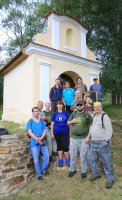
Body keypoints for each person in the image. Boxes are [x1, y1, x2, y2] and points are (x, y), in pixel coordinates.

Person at [86, 102, 115, 189]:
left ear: (101, 108)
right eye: (95, 107)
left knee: (106, 161)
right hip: (94, 142)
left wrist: (106, 141)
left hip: (103, 142)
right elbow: (91, 127)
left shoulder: (104, 117)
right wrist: (89, 137)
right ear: (93, 108)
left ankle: (110, 179)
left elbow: (109, 129)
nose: (97, 109)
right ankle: (96, 174)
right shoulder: (94, 116)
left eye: (98, 107)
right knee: (89, 158)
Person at [67, 101, 93, 179]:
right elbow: (68, 123)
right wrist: (72, 121)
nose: (79, 106)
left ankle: (84, 171)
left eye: (80, 105)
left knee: (83, 155)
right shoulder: (73, 114)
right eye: (78, 105)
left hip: (84, 138)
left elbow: (91, 125)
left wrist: (89, 136)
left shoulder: (87, 115)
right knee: (73, 154)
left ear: (83, 106)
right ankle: (72, 169)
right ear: (76, 106)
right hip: (74, 138)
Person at [26, 107, 49, 180]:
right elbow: (29, 132)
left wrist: (41, 137)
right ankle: (39, 175)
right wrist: (37, 139)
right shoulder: (30, 121)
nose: (36, 112)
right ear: (32, 112)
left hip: (42, 141)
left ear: (39, 112)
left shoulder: (42, 121)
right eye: (34, 111)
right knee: (36, 159)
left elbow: (45, 130)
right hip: (34, 142)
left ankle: (43, 169)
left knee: (46, 156)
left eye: (37, 111)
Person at [51, 100, 70, 167]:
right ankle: (60, 159)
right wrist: (52, 133)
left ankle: (67, 159)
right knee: (59, 146)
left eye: (61, 104)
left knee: (65, 146)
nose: (59, 105)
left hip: (65, 132)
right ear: (57, 105)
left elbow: (69, 123)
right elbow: (52, 124)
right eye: (58, 104)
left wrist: (70, 132)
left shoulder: (66, 113)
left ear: (62, 105)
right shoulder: (55, 114)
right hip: (56, 132)